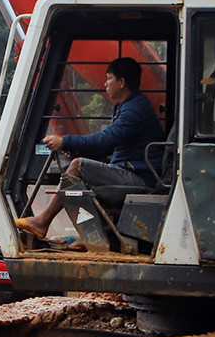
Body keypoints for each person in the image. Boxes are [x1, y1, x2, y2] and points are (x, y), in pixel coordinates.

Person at [15, 56, 161, 243]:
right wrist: (76, 148)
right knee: (81, 166)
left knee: (77, 166)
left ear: (122, 82)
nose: (105, 83)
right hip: (130, 169)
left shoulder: (134, 110)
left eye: (109, 78)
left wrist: (65, 141)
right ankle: (91, 237)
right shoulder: (128, 107)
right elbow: (110, 144)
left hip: (139, 177)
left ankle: (42, 222)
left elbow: (105, 140)